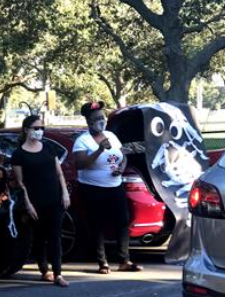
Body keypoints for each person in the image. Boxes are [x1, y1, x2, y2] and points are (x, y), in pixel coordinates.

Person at [73, 101, 142, 274]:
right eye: (97, 119)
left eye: (102, 117)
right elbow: (81, 165)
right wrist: (98, 150)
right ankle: (102, 262)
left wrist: (121, 167)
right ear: (89, 122)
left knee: (122, 222)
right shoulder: (83, 141)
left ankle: (124, 260)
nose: (101, 121)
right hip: (93, 189)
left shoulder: (111, 135)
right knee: (97, 225)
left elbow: (122, 155)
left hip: (115, 186)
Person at [12, 115, 71, 287]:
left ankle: (58, 273)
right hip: (35, 201)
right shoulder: (19, 154)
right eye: (36, 128)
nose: (39, 131)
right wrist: (28, 204)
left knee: (55, 236)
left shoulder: (48, 148)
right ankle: (45, 270)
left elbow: (59, 173)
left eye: (41, 128)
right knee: (39, 236)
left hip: (54, 198)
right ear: (26, 130)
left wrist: (65, 193)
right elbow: (20, 183)